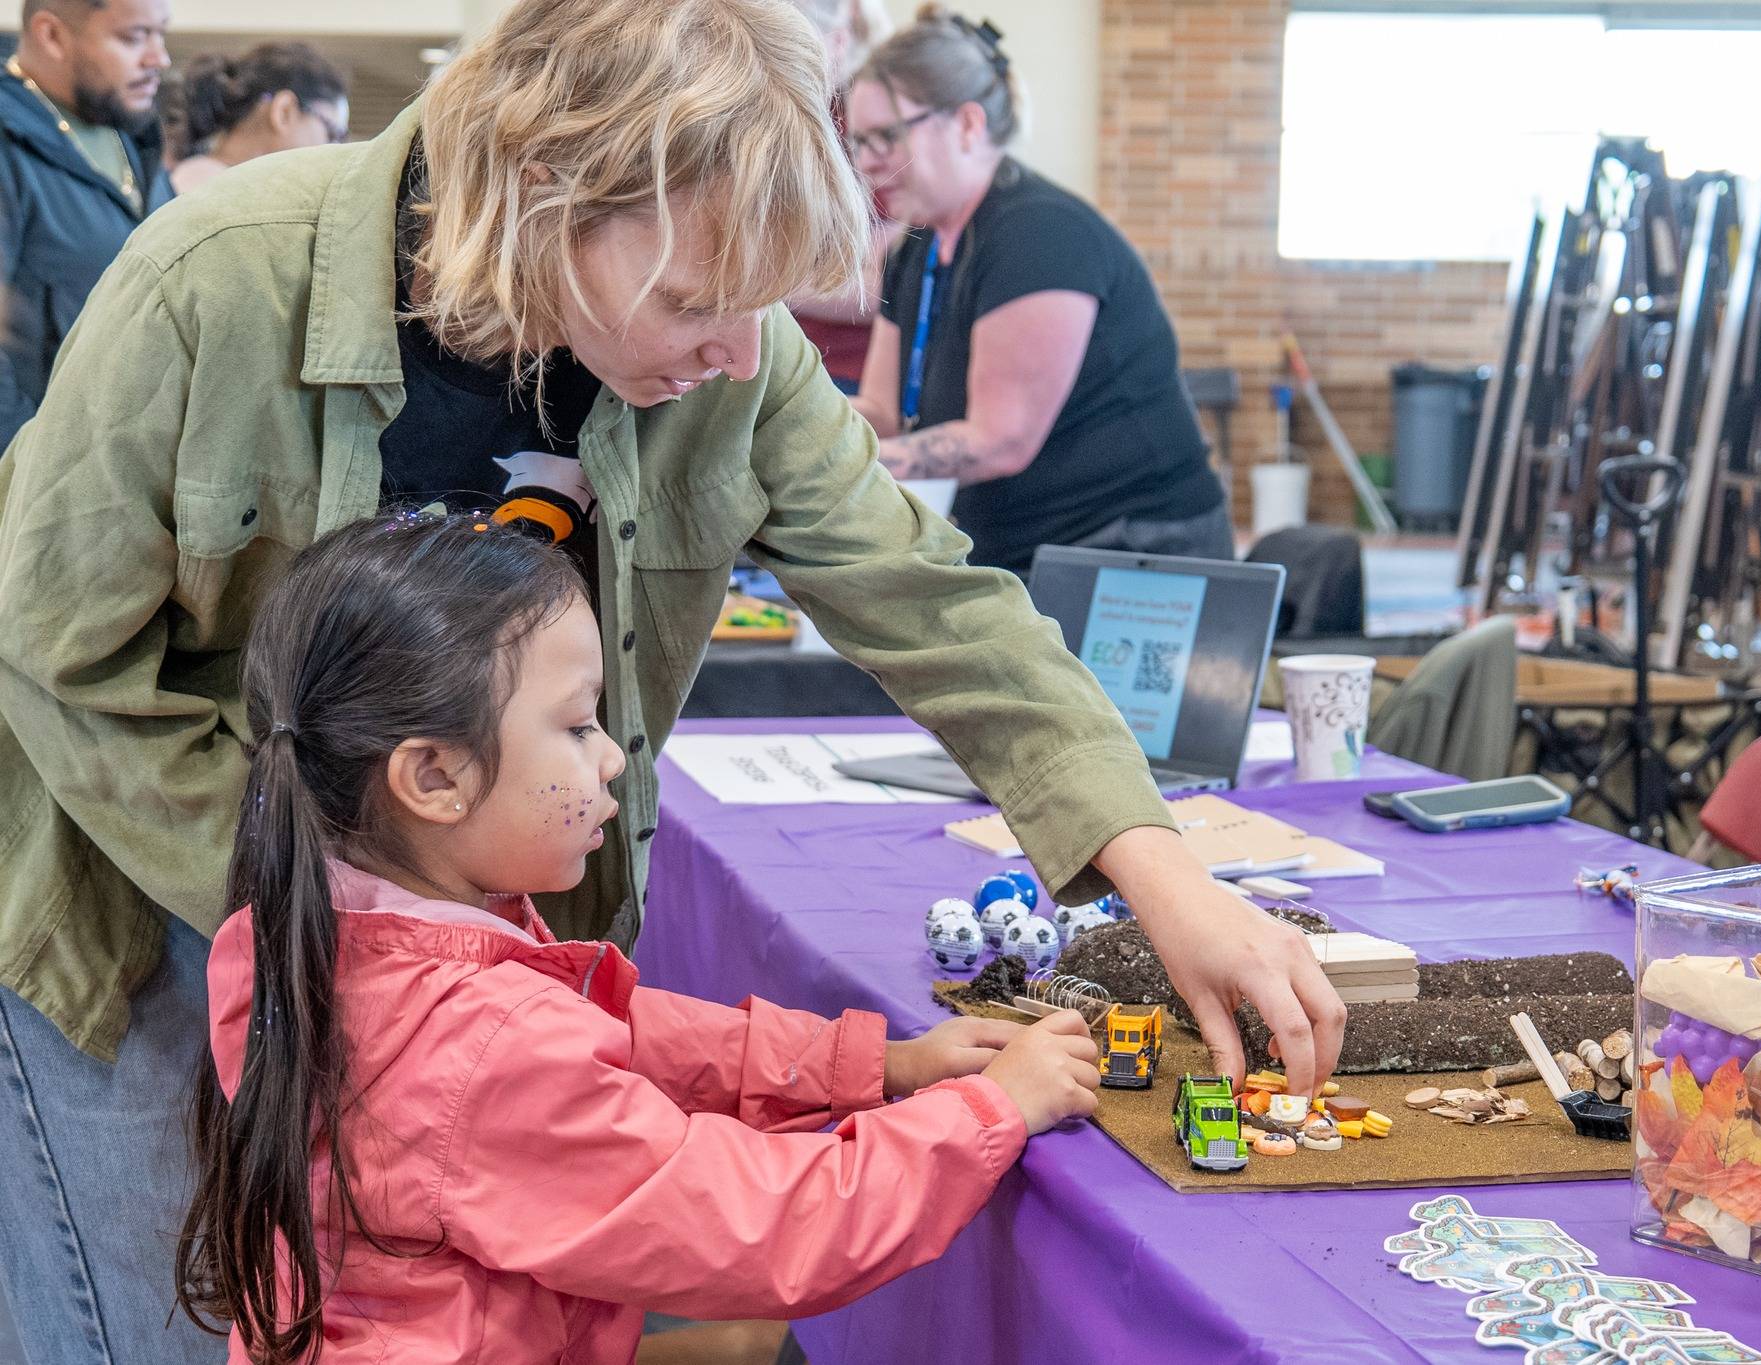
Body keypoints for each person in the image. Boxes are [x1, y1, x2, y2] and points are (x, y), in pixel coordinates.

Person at [0, 1, 1342, 1357]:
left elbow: (936, 599)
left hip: (435, 950)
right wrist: (330, 913)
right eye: (700, 300)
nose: (742, 357)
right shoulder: (217, 279)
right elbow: (54, 650)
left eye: (767, 303)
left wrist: (1163, 874)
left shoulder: (725, 355)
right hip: (146, 904)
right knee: (176, 1319)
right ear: (540, 194)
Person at [175, 515, 1098, 1361]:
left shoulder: (321, 928)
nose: (613, 755)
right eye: (577, 726)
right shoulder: (486, 1049)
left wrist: (870, 1067)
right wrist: (991, 1113)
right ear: (433, 776)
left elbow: (620, 1035)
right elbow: (763, 1225)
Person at [846, 8, 1231, 576]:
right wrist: (787, 428)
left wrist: (824, 462)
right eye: (857, 142)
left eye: (887, 136)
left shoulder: (1039, 234)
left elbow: (1000, 442)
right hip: (1028, 548)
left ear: (968, 125)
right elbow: (882, 411)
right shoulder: (919, 246)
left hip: (1136, 553)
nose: (870, 161)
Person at [0, 0, 174, 451]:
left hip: (128, 464)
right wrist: (25, 471)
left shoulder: (134, 138)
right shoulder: (10, 146)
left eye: (161, 34)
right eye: (134, 37)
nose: (160, 58)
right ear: (52, 35)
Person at [785, 0, 893, 393]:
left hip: (845, 370)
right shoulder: (776, 117)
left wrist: (763, 288)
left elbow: (884, 287)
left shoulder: (867, 126)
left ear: (838, 43)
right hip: (776, 354)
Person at [167, 41, 349, 194]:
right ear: (283, 112)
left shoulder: (201, 178)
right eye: (332, 133)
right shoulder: (209, 188)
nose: (335, 150)